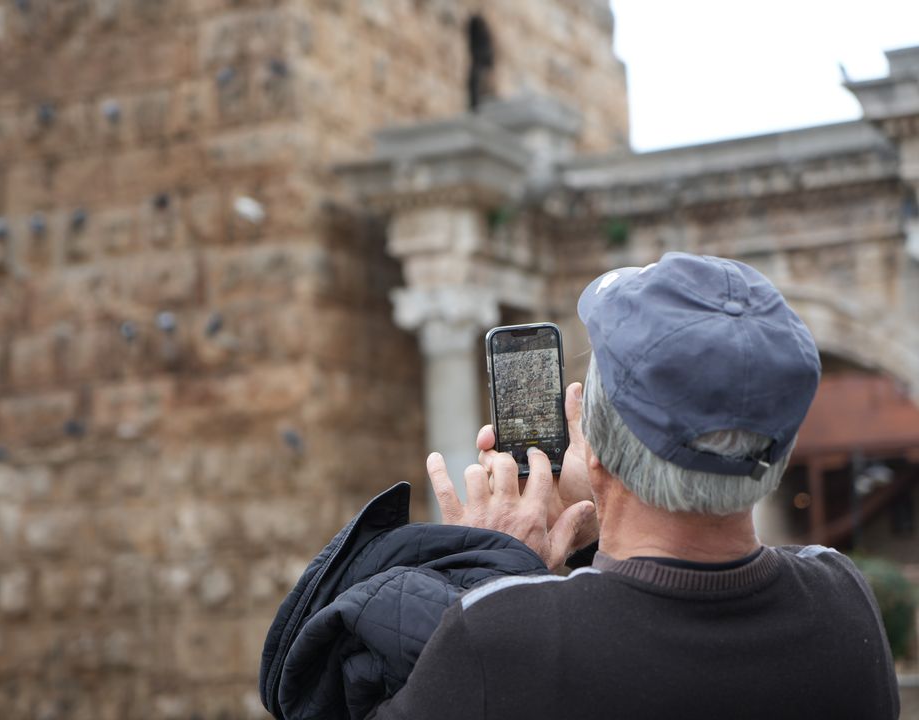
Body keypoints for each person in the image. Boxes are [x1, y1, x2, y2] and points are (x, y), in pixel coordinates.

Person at [370, 253, 899, 719]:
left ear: (594, 444)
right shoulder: (843, 603)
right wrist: (602, 510)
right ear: (779, 454)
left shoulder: (499, 637)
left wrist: (483, 569)